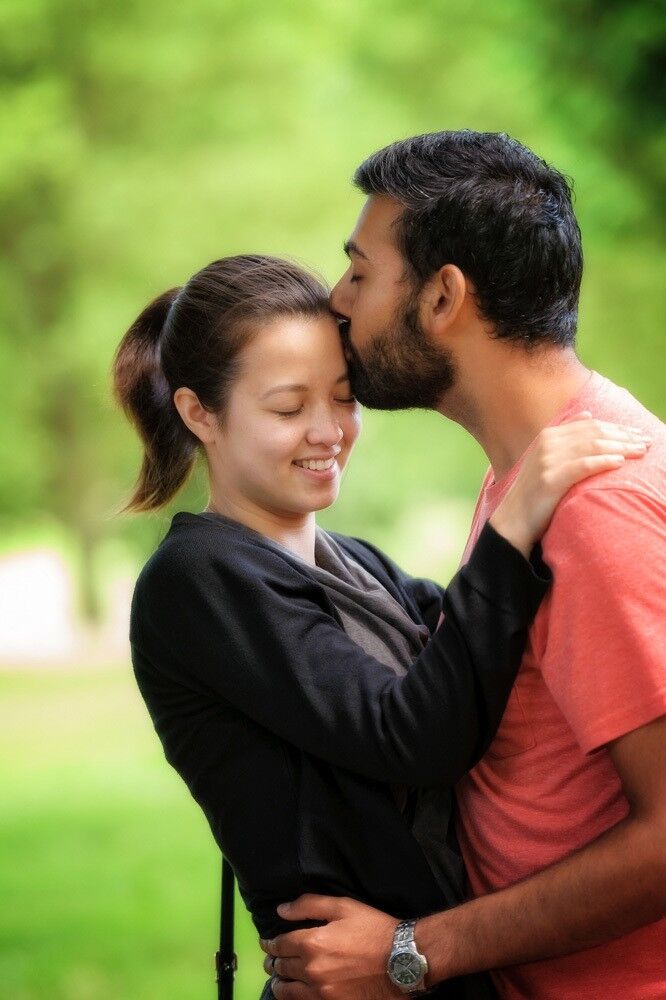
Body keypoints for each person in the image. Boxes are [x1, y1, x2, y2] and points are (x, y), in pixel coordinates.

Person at [113, 254, 644, 1000]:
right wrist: (514, 517)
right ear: (200, 412)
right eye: (289, 408)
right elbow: (415, 735)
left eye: (343, 396)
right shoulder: (196, 581)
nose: (329, 430)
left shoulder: (352, 562)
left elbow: (478, 657)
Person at [261, 132, 666, 1000]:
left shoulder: (594, 509)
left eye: (362, 272)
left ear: (444, 296)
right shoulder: (532, 476)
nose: (337, 300)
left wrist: (413, 951)